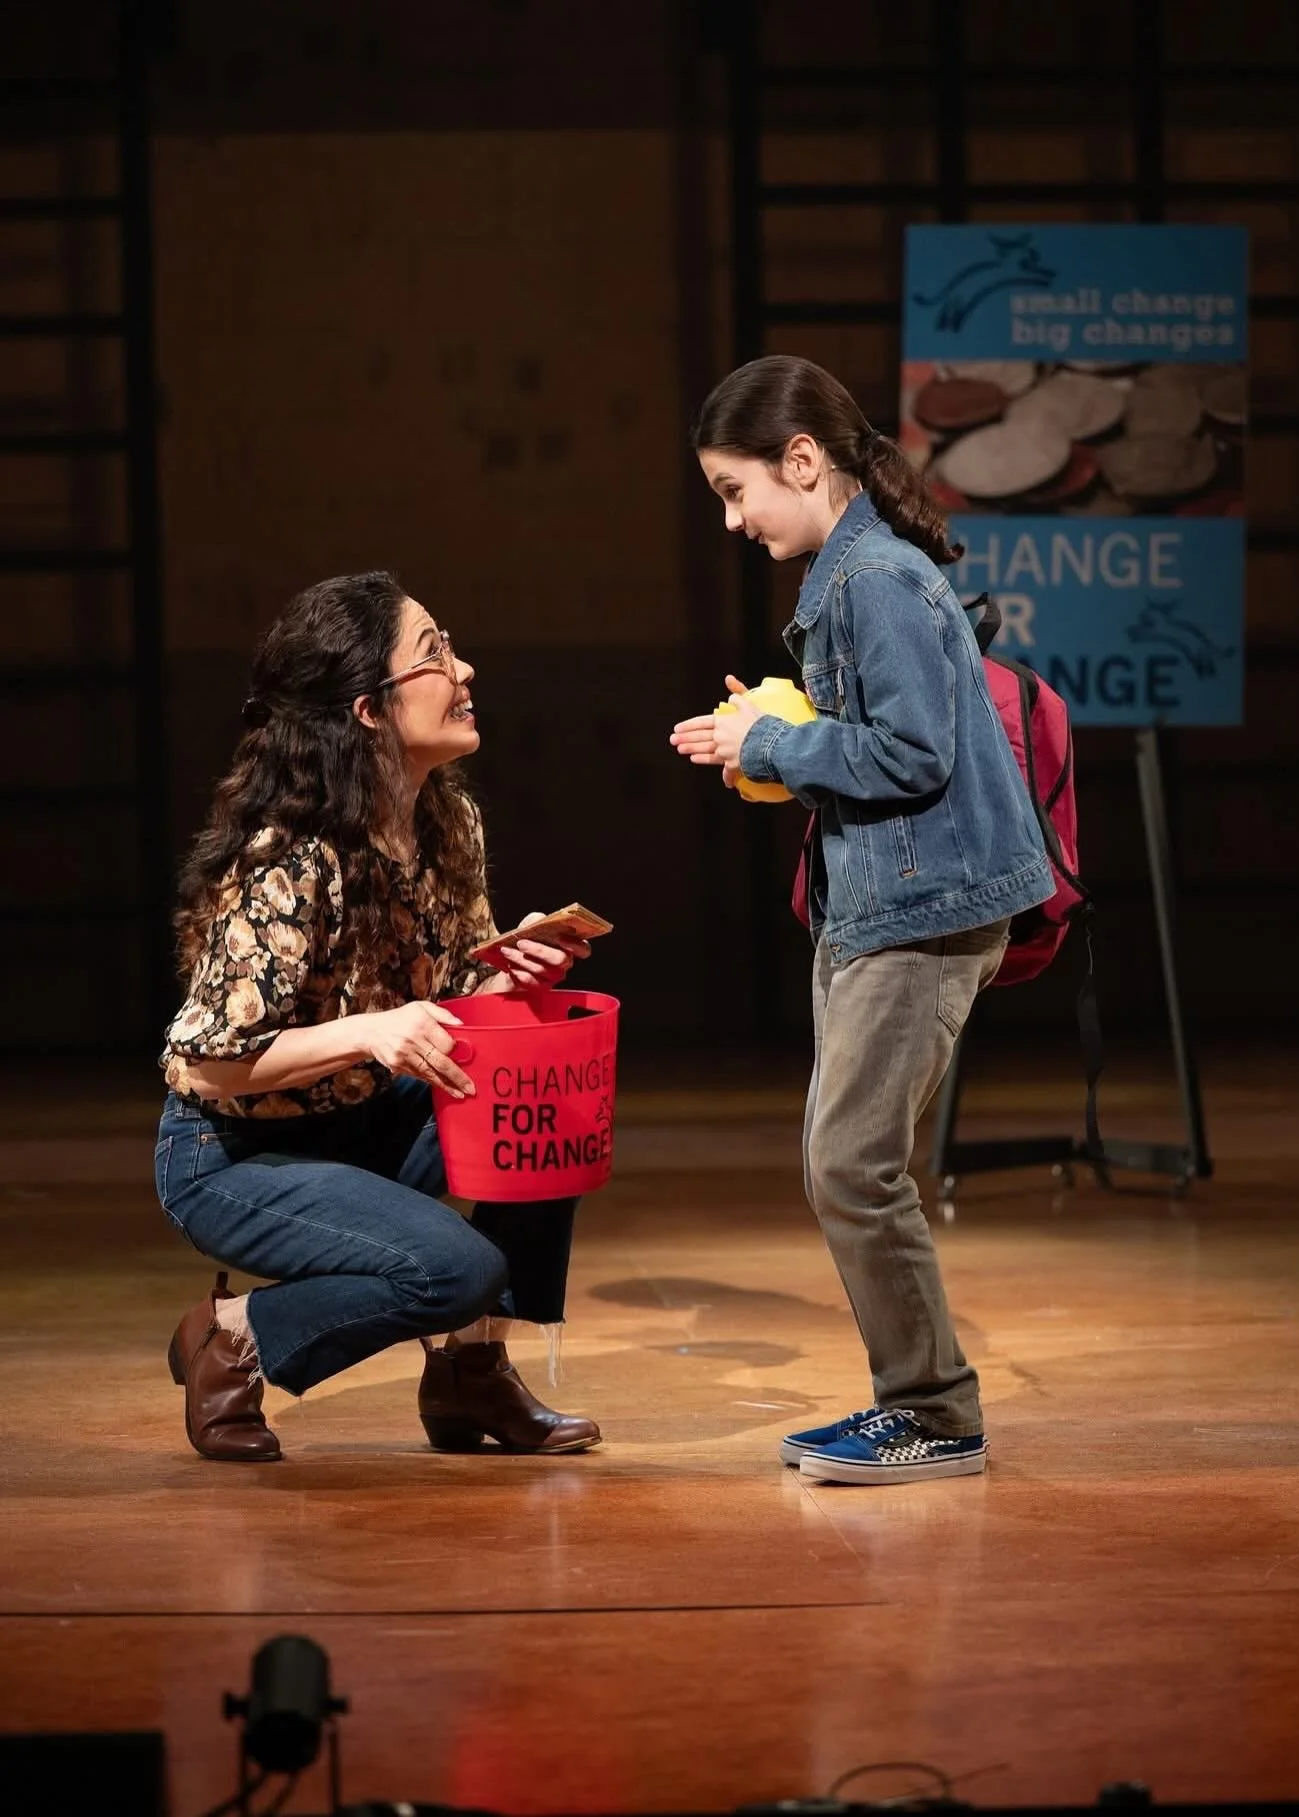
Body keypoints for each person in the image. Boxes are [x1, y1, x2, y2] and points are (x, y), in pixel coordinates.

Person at [670, 356, 1053, 1485]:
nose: (734, 520)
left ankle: (933, 1413)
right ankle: (920, 1403)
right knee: (845, 1159)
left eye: (737, 492)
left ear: (802, 460)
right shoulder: (851, 576)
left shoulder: (872, 577)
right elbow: (884, 732)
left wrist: (772, 746)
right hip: (880, 904)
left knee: (850, 1162)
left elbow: (911, 751)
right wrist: (778, 725)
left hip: (923, 909)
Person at [156, 570, 601, 1464]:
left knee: (544, 1107)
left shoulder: (446, 819)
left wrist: (506, 973)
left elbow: (447, 1014)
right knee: (454, 1270)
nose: (464, 668)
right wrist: (369, 1030)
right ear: (365, 708)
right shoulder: (287, 854)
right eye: (434, 654)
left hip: (367, 1115)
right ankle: (233, 1336)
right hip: (236, 1153)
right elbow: (204, 1062)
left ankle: (473, 1371)